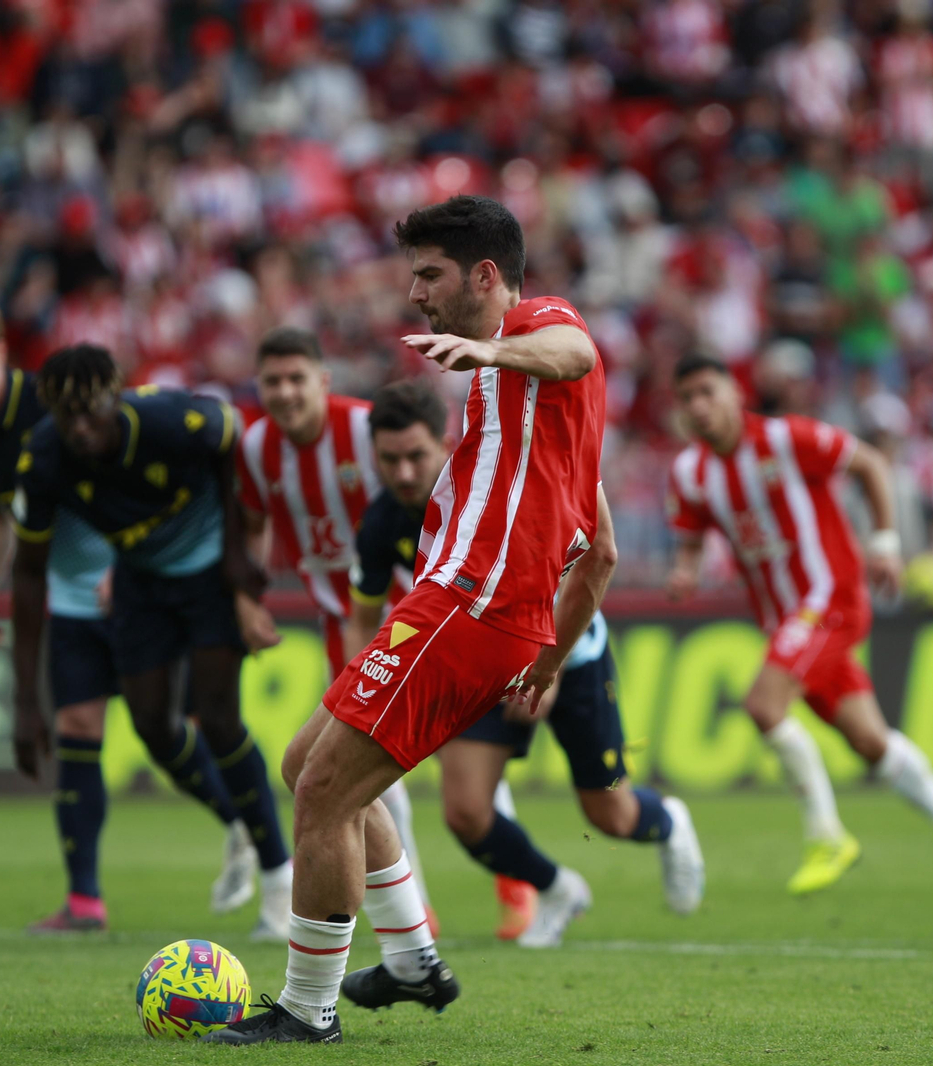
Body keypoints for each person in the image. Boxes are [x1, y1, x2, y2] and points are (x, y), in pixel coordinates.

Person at [206, 195, 610, 1044]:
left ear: (485, 276)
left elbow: (575, 350)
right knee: (306, 765)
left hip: (469, 601)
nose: (417, 292)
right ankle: (412, 958)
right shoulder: (546, 418)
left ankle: (307, 1011)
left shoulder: (537, 328)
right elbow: (599, 549)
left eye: (430, 273)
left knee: (324, 791)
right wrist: (548, 655)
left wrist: (492, 345)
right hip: (478, 610)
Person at [0, 296, 254, 933]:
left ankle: (241, 823)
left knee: (160, 731)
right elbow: (1, 516)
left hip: (133, 575)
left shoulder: (55, 398)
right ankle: (84, 901)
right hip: (70, 596)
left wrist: (125, 564)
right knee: (77, 724)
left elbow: (126, 456)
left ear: (0, 351)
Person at [345, 380, 704, 948]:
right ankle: (559, 888)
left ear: (443, 443)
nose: (406, 473)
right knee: (465, 813)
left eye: (416, 456)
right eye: (390, 461)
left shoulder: (497, 484)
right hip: (484, 662)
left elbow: (579, 564)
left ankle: (671, 823)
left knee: (611, 814)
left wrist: (550, 664)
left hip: (569, 650)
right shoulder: (379, 522)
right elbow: (364, 616)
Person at [665, 354, 933, 898]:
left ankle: (827, 837)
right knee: (869, 741)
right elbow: (691, 538)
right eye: (687, 398)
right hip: (785, 619)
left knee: (763, 706)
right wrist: (684, 572)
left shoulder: (786, 438)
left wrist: (886, 544)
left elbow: (869, 464)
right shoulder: (690, 474)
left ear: (733, 392)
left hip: (831, 597)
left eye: (707, 391)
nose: (698, 407)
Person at [8, 343, 292, 939]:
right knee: (152, 727)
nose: (81, 428)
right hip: (139, 579)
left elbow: (231, 436)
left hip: (210, 574)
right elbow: (29, 573)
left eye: (92, 413)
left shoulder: (169, 421)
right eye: (68, 418)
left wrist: (240, 566)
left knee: (217, 719)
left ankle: (279, 883)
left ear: (116, 399)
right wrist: (26, 700)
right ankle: (237, 820)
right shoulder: (44, 459)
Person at [231, 326, 436, 933]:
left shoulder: (368, 429)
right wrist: (248, 599)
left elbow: (421, 499)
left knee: (456, 770)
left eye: (298, 379)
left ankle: (437, 914)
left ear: (323, 381)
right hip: (346, 622)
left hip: (416, 612)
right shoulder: (256, 447)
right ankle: (412, 920)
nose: (286, 392)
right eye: (273, 381)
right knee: (349, 772)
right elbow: (251, 524)